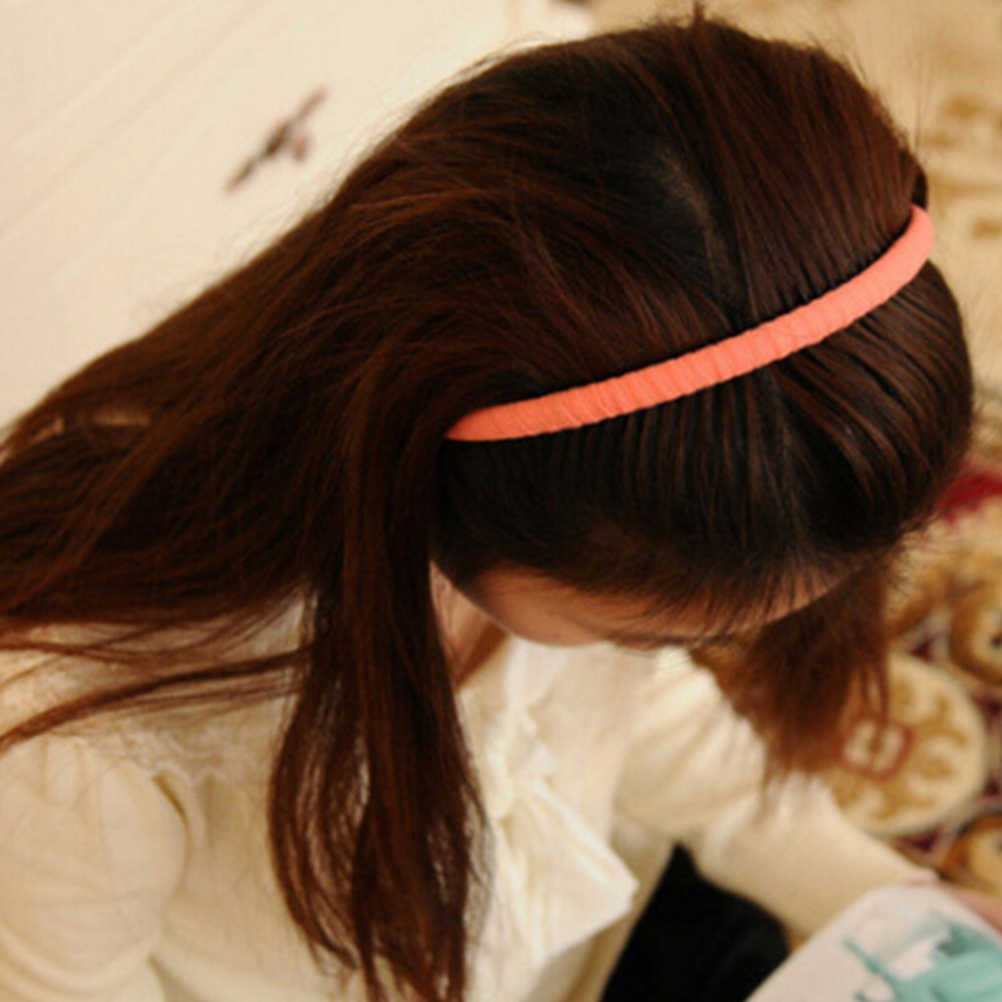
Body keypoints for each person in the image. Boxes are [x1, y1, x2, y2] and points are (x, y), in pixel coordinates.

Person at [0, 11, 995, 1002]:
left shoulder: (570, 502)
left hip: (580, 942)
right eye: (639, 638)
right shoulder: (77, 733)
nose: (672, 661)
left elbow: (656, 730)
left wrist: (896, 901)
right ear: (457, 499)